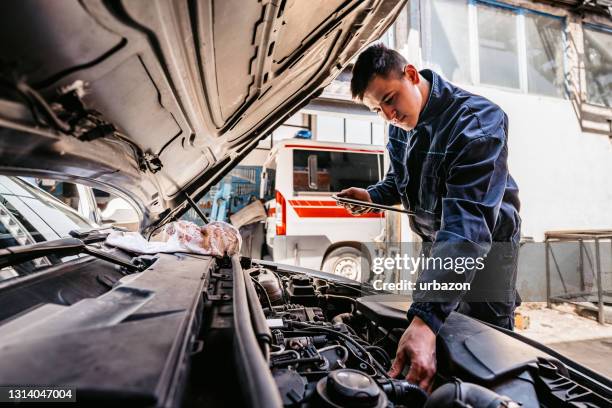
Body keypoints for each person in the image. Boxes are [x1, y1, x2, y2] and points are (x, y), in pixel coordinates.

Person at [337, 44, 521, 392]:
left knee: (486, 349)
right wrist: (372, 195)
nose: (388, 114)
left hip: (485, 253)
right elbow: (400, 180)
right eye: (378, 109)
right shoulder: (400, 124)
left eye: (390, 100)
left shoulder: (476, 122)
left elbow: (467, 225)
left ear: (410, 75)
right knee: (443, 330)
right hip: (439, 244)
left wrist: (424, 320)